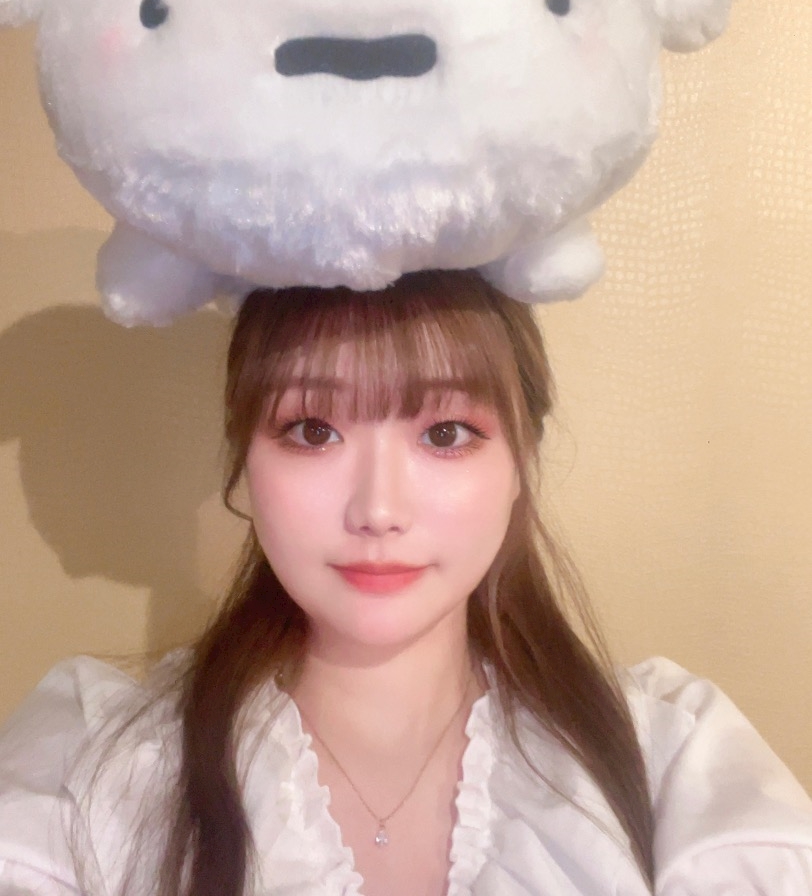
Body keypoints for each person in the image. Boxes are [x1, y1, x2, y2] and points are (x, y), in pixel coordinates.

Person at [0, 269, 811, 896]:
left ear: (521, 462)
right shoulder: (91, 768)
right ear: (243, 456)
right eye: (312, 430)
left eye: (446, 433)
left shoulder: (678, 768)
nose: (378, 510)